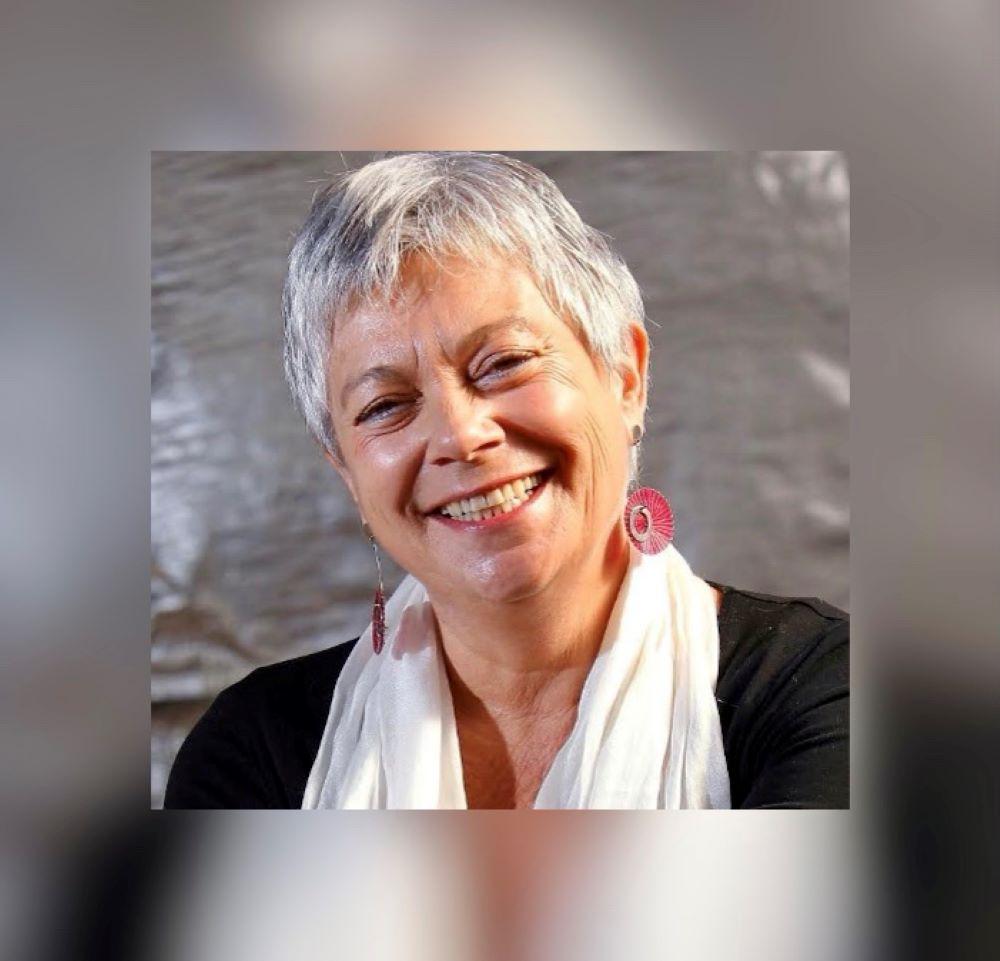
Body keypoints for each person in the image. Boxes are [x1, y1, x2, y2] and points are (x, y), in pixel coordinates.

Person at [164, 152, 848, 809]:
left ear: (626, 377)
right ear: (346, 471)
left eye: (504, 363)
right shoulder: (252, 753)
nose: (461, 436)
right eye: (386, 405)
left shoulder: (823, 686)